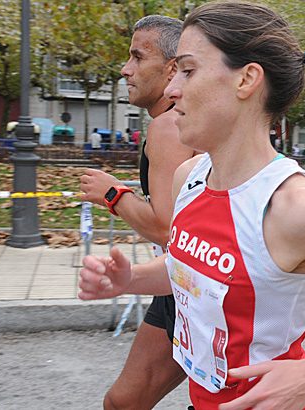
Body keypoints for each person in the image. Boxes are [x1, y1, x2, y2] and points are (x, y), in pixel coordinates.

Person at [78, 3, 305, 409]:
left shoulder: (299, 210)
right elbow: (203, 269)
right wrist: (130, 279)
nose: (171, 89)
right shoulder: (189, 177)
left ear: (247, 79)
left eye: (188, 70)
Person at [79, 15, 197, 409]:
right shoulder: (177, 124)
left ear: (171, 69)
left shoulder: (167, 127)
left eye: (137, 57)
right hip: (188, 280)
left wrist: (113, 194)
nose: (125, 69)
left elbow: (169, 230)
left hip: (191, 284)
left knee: (122, 403)